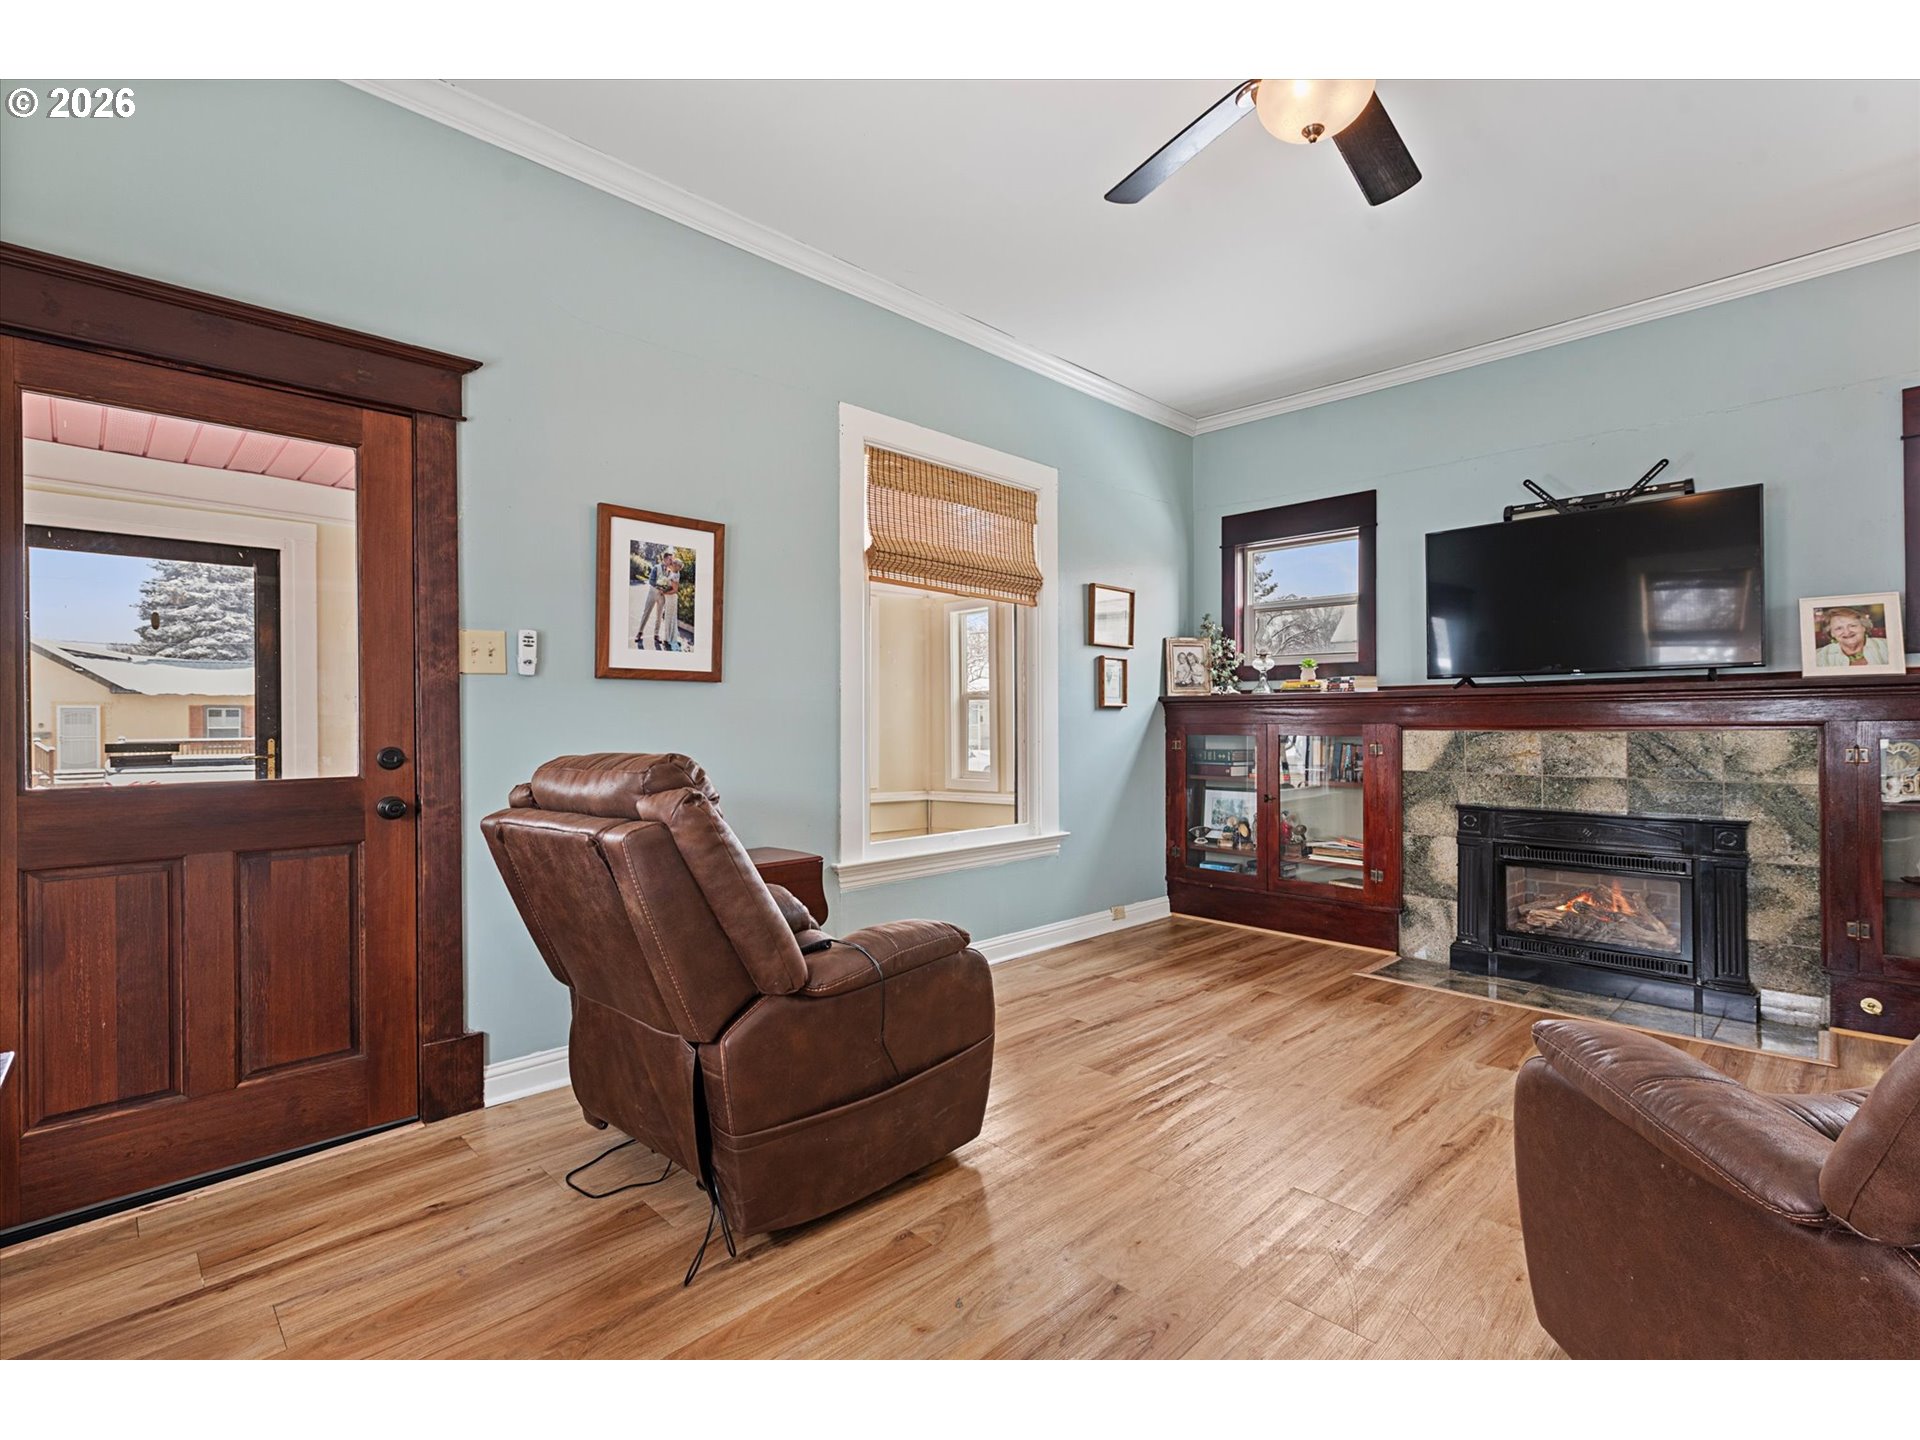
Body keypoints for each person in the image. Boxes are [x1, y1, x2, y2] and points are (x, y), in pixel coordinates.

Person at [634, 549, 682, 651]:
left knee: (659, 616)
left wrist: (665, 590)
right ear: (664, 559)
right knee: (646, 613)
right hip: (652, 593)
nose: (671, 561)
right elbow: (651, 581)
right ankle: (639, 633)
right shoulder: (656, 567)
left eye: (672, 559)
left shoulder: (671, 570)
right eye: (669, 559)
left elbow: (671, 584)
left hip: (662, 596)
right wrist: (660, 587)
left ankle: (656, 635)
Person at [1815, 605, 1889, 667]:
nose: (1847, 632)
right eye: (1839, 628)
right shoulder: (1818, 657)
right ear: (1832, 633)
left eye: (1852, 626)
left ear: (1864, 627)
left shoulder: (1887, 647)